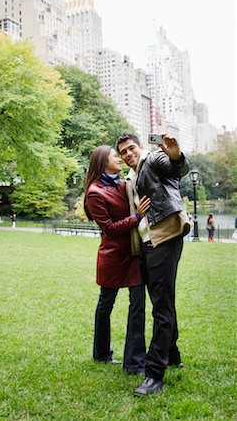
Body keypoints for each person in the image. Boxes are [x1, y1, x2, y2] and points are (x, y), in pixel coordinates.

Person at [116, 133, 190, 396]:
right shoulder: (132, 175)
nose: (127, 154)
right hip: (148, 244)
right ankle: (172, 353)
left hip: (165, 238)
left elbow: (176, 171)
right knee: (163, 300)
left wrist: (176, 155)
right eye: (123, 152)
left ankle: (154, 374)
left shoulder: (153, 158)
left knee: (161, 306)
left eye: (131, 148)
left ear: (141, 147)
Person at [84, 145, 151, 374]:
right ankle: (101, 353)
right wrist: (137, 217)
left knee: (138, 303)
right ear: (103, 162)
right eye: (116, 155)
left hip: (132, 254)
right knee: (105, 305)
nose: (120, 158)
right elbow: (110, 229)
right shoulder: (94, 192)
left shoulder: (123, 184)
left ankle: (134, 362)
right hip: (112, 256)